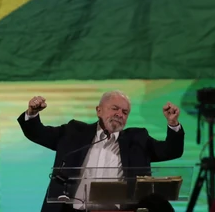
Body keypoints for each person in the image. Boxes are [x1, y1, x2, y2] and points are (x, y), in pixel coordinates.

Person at [18, 90, 185, 212]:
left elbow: (171, 151)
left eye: (125, 112)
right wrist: (32, 113)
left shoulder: (138, 139)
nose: (120, 114)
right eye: (115, 108)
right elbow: (38, 133)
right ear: (99, 110)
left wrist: (173, 124)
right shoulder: (74, 132)